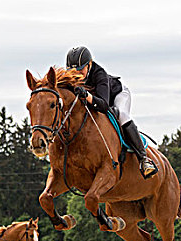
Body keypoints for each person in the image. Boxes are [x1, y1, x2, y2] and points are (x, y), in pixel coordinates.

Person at [66, 46, 158, 179]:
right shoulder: (69, 76)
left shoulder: (99, 74)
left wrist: (86, 95)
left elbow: (103, 105)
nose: (77, 74)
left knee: (122, 115)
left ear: (89, 64)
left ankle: (144, 160)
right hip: (97, 99)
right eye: (73, 71)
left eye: (81, 70)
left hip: (117, 95)